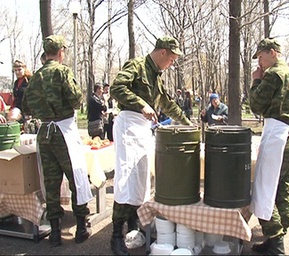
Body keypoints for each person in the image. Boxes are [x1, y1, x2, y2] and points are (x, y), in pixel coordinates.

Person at [109, 36, 192, 255]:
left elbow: (167, 103)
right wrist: (141, 103)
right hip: (128, 124)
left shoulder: (157, 77)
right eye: (172, 59)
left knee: (141, 182)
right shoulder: (136, 66)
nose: (171, 64)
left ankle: (135, 228)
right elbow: (116, 88)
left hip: (143, 129)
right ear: (163, 52)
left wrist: (188, 125)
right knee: (126, 180)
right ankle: (116, 234)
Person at [22, 35, 93, 247]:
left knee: (51, 183)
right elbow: (77, 98)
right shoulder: (62, 72)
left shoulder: (35, 77)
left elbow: (26, 107)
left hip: (44, 133)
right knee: (77, 178)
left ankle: (54, 232)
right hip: (64, 132)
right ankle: (81, 227)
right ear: (61, 51)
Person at [249, 38, 289, 255]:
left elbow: (256, 105)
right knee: (282, 189)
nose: (260, 63)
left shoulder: (273, 74)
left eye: (261, 57)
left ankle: (275, 241)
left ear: (272, 53)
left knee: (264, 190)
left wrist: (256, 81)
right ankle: (277, 237)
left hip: (277, 136)